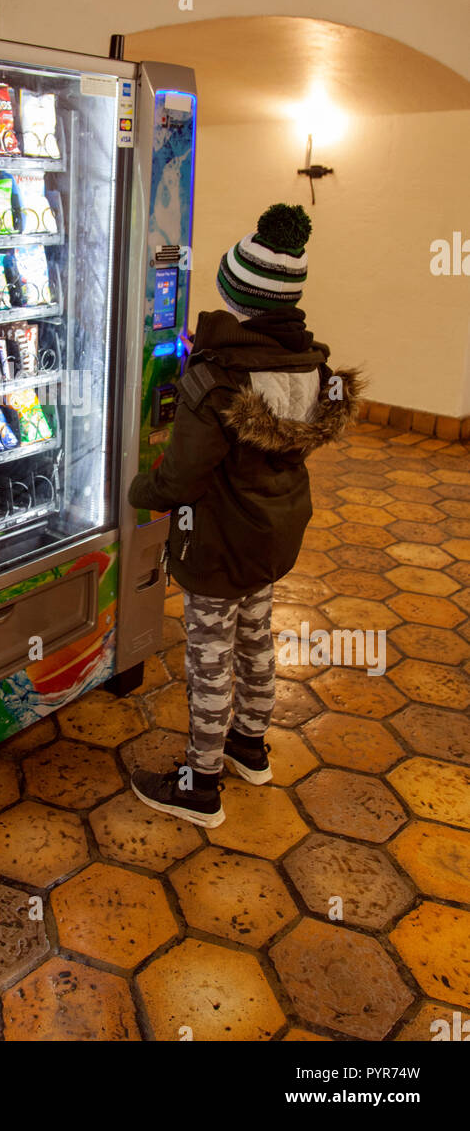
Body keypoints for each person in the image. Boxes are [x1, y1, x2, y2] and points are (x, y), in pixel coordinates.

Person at [127, 203, 360, 827]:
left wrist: (136, 489)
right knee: (256, 638)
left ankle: (199, 786)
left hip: (218, 541)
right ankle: (250, 746)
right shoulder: (311, 365)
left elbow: (181, 476)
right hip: (273, 533)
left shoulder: (217, 377)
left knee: (208, 656)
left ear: (234, 294)